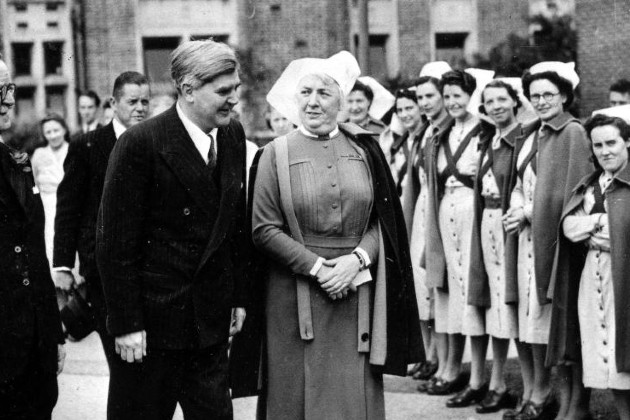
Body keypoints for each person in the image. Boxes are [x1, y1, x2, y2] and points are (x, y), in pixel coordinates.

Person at [251, 50, 423, 419]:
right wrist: (318, 268)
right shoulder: (273, 154)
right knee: (294, 393)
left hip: (356, 290)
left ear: (342, 101)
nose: (313, 101)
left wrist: (357, 260)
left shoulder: (365, 149)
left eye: (324, 93)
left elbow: (385, 221)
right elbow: (263, 229)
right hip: (291, 294)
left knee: (351, 395)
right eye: (305, 92)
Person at [96, 40, 250, 419]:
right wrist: (127, 324)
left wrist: (238, 297)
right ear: (188, 90)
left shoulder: (231, 136)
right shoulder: (140, 144)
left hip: (209, 328)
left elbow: (234, 225)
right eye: (224, 91)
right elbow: (114, 244)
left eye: (236, 89)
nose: (234, 99)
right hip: (151, 333)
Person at [53, 71, 150, 411]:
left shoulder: (155, 141)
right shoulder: (87, 146)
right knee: (123, 366)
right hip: (102, 273)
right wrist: (63, 264)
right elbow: (68, 209)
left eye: (145, 102)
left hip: (148, 272)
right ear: (113, 104)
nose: (140, 108)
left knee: (146, 370)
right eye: (132, 101)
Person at [504, 61, 592, 420]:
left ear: (565, 96)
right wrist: (515, 206)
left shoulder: (572, 131)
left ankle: (576, 406)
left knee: (564, 323)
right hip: (527, 239)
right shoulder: (529, 132)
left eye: (548, 95)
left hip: (558, 240)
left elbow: (572, 189)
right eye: (535, 95)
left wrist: (528, 212)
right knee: (538, 322)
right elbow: (517, 180)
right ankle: (552, 399)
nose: (540, 101)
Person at [0, 54, 65, 419]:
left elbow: (34, 254)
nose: (9, 99)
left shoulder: (16, 161)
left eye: (9, 87)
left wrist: (52, 334)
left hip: (33, 350)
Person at [559, 113, 630, 420]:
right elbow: (569, 227)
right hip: (594, 277)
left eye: (612, 143)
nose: (605, 151)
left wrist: (600, 231)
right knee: (607, 358)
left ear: (627, 142)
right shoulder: (589, 186)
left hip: (624, 279)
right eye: (598, 145)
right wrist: (601, 221)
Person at [424, 69, 488, 402]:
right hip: (444, 210)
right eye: (446, 97)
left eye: (457, 96)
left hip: (471, 211)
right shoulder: (440, 133)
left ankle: (478, 376)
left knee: (472, 292)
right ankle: (450, 370)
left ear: (470, 95)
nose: (451, 103)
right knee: (447, 290)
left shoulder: (483, 130)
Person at [467, 80, 525, 413]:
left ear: (515, 102)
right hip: (486, 221)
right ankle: (495, 381)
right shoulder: (491, 139)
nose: (496, 106)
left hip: (509, 226)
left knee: (509, 302)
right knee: (490, 302)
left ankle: (506, 383)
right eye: (489, 101)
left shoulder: (522, 138)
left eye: (502, 99)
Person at [403, 61, 452, 387]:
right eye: (420, 97)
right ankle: (432, 357)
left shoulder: (446, 130)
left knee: (441, 288)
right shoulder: (426, 133)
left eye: (430, 96)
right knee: (423, 286)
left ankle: (446, 363)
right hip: (423, 211)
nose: (424, 103)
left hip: (442, 211)